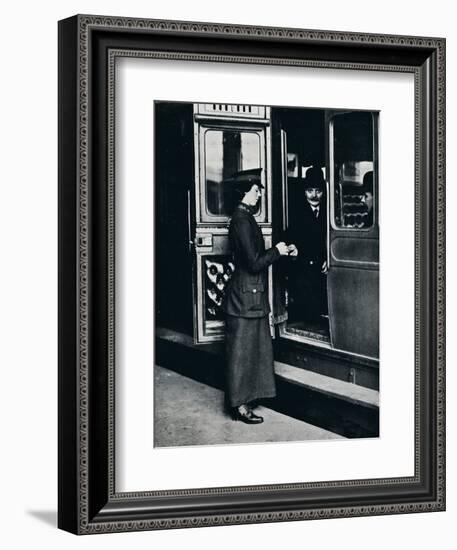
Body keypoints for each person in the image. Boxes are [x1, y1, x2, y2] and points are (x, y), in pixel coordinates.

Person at [223, 169, 290, 424]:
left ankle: (245, 399)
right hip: (244, 298)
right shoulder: (241, 220)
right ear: (244, 193)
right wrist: (277, 250)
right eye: (256, 190)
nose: (259, 193)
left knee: (251, 351)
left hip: (249, 296)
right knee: (241, 354)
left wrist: (280, 252)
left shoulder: (244, 218)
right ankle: (239, 406)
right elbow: (253, 262)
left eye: (259, 189)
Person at [283, 166, 328, 325]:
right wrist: (293, 247)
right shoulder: (295, 213)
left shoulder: (329, 213)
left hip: (324, 268)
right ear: (304, 192)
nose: (314, 196)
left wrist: (328, 258)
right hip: (303, 270)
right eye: (310, 191)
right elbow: (289, 238)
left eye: (318, 191)